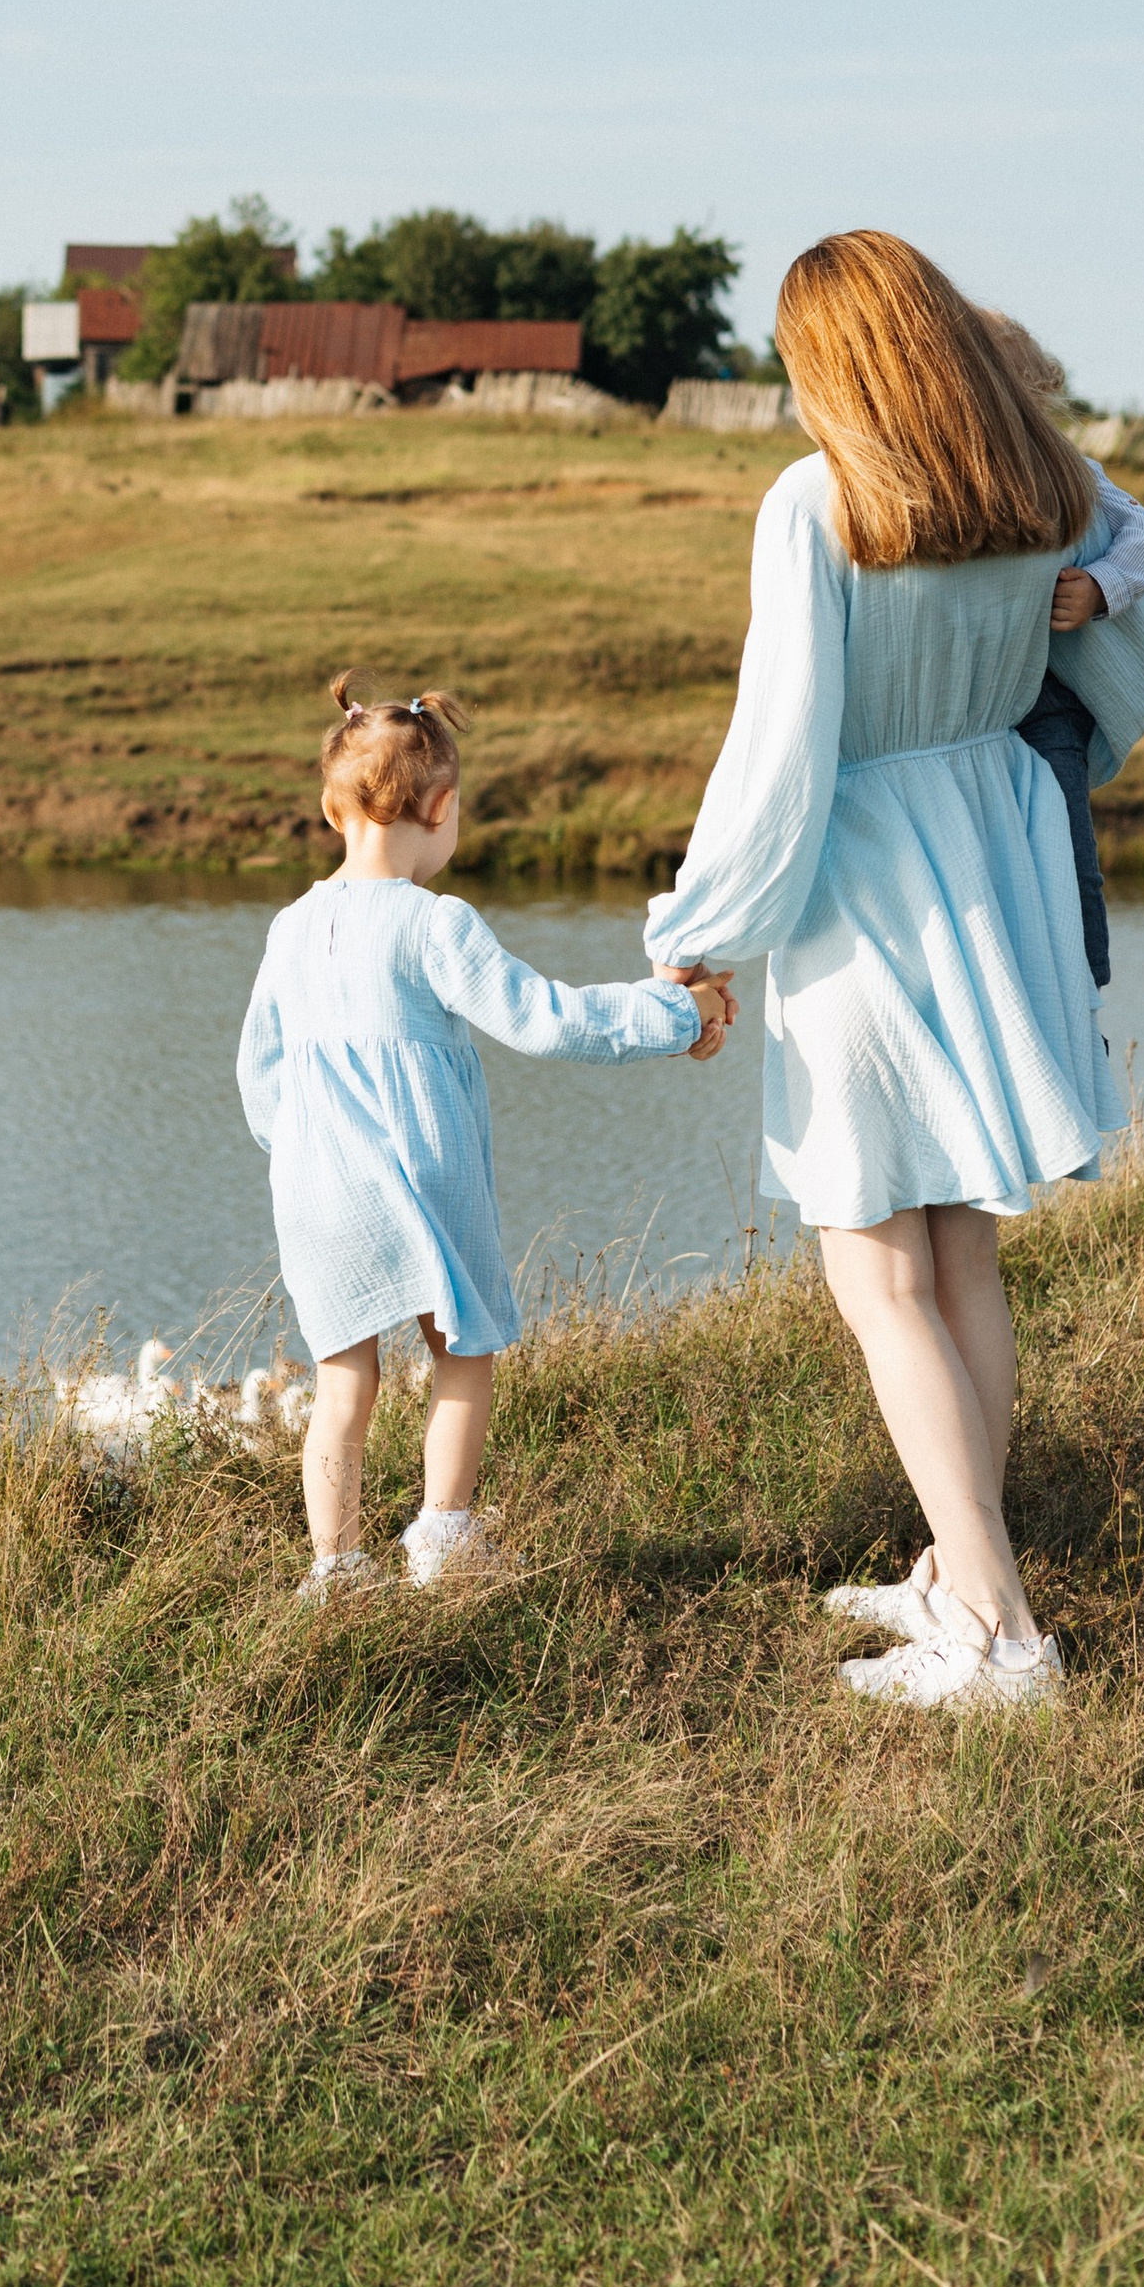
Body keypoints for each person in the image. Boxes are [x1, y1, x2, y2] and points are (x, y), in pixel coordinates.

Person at [642, 232, 1144, 1713]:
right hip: (995, 857)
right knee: (956, 1253)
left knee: (874, 1266)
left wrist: (701, 921)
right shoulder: (1042, 490)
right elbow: (1128, 668)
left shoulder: (822, 503)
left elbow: (782, 742)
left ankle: (998, 1633)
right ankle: (954, 1568)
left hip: (864, 877)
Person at [238, 678, 733, 1601]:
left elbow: (258, 1069)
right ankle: (442, 1536)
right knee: (461, 1348)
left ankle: (336, 1569)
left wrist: (302, 1156)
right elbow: (548, 1021)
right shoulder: (436, 923)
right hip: (427, 1173)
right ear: (442, 807)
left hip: (314, 1184)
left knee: (343, 1381)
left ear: (330, 809)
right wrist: (672, 1011)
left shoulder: (289, 927)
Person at [980, 313, 1144, 992]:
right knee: (994, 852)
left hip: (1049, 697)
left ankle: (1084, 988)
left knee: (1064, 841)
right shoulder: (953, 476)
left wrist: (1099, 587)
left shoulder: (1072, 472)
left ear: (1034, 396)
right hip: (977, 698)